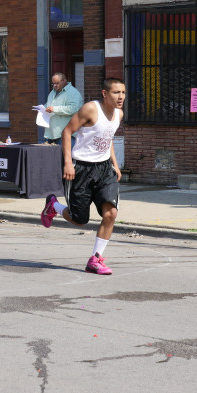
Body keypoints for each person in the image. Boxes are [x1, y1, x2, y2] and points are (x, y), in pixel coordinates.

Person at [40, 78, 126, 275]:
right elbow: (67, 131)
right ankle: (54, 205)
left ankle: (95, 259)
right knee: (80, 219)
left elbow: (108, 136)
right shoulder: (90, 109)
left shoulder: (118, 114)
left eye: (123, 92)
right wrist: (69, 163)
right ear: (105, 94)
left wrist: (114, 163)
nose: (120, 97)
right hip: (81, 169)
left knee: (111, 213)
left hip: (104, 170)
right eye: (116, 92)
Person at [43, 72, 83, 144]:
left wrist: (54, 109)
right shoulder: (52, 92)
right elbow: (49, 104)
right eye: (53, 83)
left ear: (64, 81)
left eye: (57, 83)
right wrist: (43, 109)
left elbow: (74, 109)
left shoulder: (73, 92)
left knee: (67, 155)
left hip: (66, 134)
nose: (54, 85)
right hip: (51, 134)